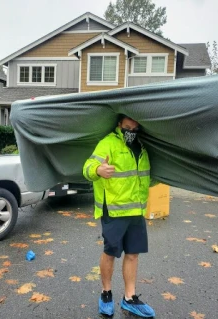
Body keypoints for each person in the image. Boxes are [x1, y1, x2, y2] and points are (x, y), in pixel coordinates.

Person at [83, 114, 155, 318]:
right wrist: (98, 169)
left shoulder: (141, 147)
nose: (132, 126)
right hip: (113, 209)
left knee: (133, 254)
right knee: (111, 251)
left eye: (136, 123)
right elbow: (87, 168)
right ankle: (106, 293)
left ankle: (129, 298)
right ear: (119, 123)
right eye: (128, 122)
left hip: (136, 210)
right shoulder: (108, 143)